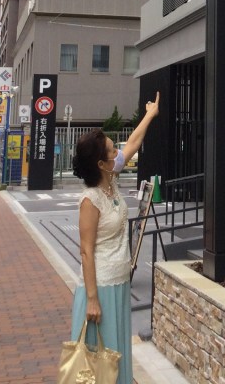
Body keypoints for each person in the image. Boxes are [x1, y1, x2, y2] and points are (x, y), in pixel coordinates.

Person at [71, 93, 160, 384]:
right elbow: (86, 251)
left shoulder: (111, 180)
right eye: (112, 151)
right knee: (98, 365)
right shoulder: (91, 199)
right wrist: (92, 300)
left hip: (119, 283)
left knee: (115, 357)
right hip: (100, 288)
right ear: (101, 163)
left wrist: (150, 114)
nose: (118, 153)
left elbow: (133, 143)